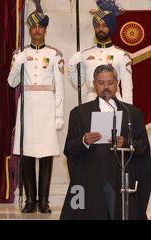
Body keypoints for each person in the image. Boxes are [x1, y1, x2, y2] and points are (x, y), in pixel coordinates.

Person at [61, 64, 151, 220]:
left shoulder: (132, 113)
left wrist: (126, 142)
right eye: (101, 83)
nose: (106, 87)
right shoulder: (79, 113)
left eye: (110, 82)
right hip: (91, 180)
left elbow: (144, 147)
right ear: (94, 84)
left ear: (117, 83)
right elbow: (69, 148)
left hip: (122, 179)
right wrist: (84, 141)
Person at [7, 7, 65, 213]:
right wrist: (17, 64)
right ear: (29, 30)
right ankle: (31, 199)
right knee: (27, 154)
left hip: (47, 107)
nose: (37, 30)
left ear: (45, 30)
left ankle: (44, 201)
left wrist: (59, 114)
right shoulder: (21, 54)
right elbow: (11, 82)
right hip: (28, 105)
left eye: (41, 26)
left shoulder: (54, 55)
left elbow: (59, 87)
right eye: (33, 27)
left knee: (47, 154)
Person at [68, 0, 133, 104]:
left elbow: (127, 89)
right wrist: (71, 66)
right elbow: (76, 83)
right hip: (90, 103)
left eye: (104, 25)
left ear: (111, 28)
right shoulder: (85, 54)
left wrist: (128, 113)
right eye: (97, 25)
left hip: (114, 103)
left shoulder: (121, 55)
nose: (100, 29)